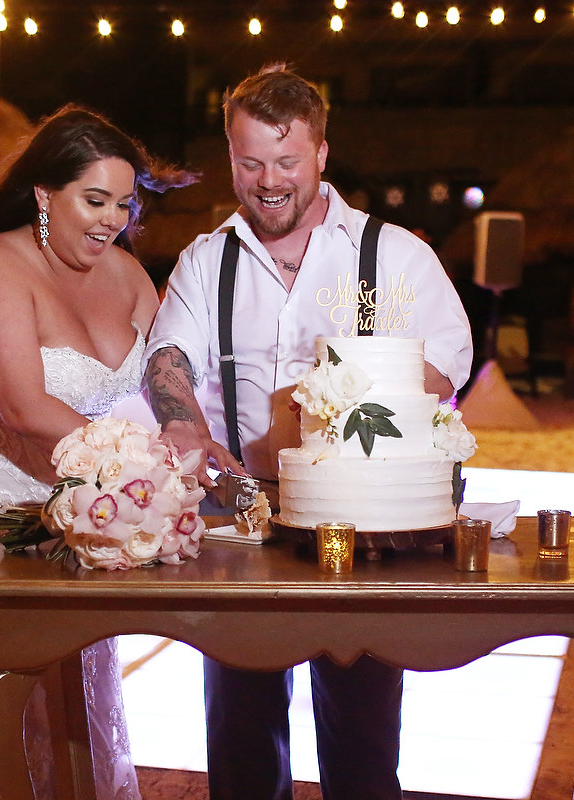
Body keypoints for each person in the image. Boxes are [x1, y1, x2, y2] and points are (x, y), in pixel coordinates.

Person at [144, 65, 473, 800]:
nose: (267, 181)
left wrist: (357, 411)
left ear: (322, 154)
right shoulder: (205, 260)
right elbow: (167, 358)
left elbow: (449, 362)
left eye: (286, 161)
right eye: (249, 161)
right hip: (240, 508)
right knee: (240, 723)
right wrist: (187, 430)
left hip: (366, 515)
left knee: (359, 719)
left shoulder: (395, 255)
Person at [0, 105, 193, 800]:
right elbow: (24, 410)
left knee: (81, 678)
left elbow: (166, 385)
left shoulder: (129, 274)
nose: (112, 218)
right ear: (43, 193)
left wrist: (199, 459)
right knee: (4, 686)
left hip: (94, 493)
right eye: (94, 199)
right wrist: (144, 473)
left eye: (123, 202)